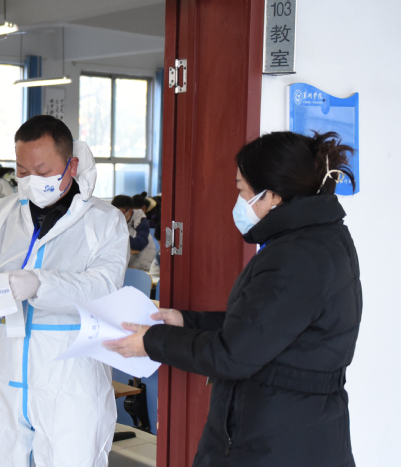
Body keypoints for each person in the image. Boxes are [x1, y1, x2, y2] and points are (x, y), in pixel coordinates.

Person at [104, 131, 362, 467]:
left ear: (272, 196)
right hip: (293, 427)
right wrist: (187, 321)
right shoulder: (318, 239)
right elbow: (265, 327)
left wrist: (151, 342)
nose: (238, 201)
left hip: (277, 440)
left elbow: (234, 353)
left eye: (242, 190)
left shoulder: (297, 256)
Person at [0, 115, 129, 467]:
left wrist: (41, 284)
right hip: (2, 372)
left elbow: (103, 286)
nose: (31, 181)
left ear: (71, 165)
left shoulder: (104, 221)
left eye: (42, 171)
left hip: (69, 376)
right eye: (23, 172)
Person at [112, 194, 156, 272]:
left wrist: (120, 235)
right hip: (126, 265)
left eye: (121, 213)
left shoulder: (140, 221)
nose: (118, 216)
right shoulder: (114, 220)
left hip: (143, 266)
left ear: (130, 211)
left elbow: (139, 244)